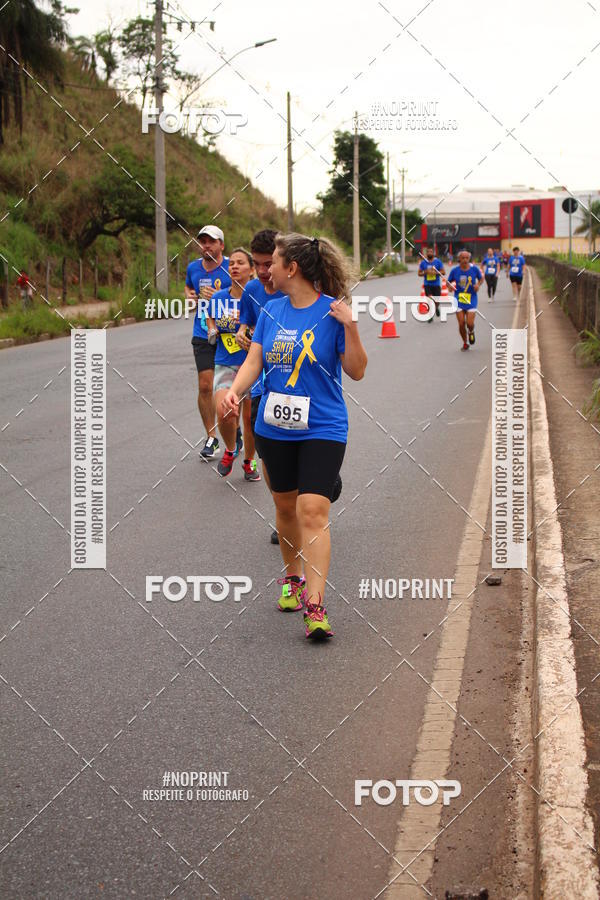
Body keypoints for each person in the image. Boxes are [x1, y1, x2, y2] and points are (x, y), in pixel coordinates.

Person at [222, 234, 367, 639]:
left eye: (274, 263)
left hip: (323, 426)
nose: (265, 270)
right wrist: (235, 391)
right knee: (285, 508)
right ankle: (293, 578)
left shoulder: (332, 313)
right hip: (274, 427)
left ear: (293, 269)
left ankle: (316, 606)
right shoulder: (271, 311)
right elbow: (255, 359)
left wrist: (351, 327)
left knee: (313, 513)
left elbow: (356, 371)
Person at [206, 248, 261, 480]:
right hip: (226, 362)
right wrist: (211, 328)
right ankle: (230, 449)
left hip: (252, 364)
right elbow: (209, 315)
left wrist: (252, 334)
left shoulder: (257, 297)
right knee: (225, 411)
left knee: (249, 420)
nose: (234, 267)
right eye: (232, 264)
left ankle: (249, 462)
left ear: (252, 269)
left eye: (240, 263)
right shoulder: (219, 298)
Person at [185, 225, 235, 460]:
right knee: (205, 386)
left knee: (232, 386)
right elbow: (188, 285)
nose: (206, 245)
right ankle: (212, 437)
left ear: (221, 245)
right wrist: (189, 295)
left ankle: (234, 428)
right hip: (203, 332)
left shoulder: (230, 266)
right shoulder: (193, 268)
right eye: (203, 241)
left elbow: (243, 289)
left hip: (229, 333)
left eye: (211, 241)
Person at [448, 250, 483, 350]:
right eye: (462, 258)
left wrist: (478, 285)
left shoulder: (474, 269)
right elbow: (448, 281)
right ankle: (465, 342)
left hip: (471, 298)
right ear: (459, 259)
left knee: (470, 323)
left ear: (469, 258)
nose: (465, 260)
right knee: (461, 323)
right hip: (458, 299)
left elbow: (481, 279)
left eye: (466, 258)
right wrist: (449, 286)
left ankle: (471, 331)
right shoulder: (455, 270)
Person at [418, 247, 445, 319]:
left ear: (433, 253)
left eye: (431, 252)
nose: (430, 253)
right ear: (426, 254)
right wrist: (425, 272)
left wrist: (435, 272)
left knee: (437, 300)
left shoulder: (438, 262)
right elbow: (419, 273)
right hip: (427, 284)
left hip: (436, 284)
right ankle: (430, 315)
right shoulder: (423, 263)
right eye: (428, 252)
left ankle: (436, 308)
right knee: (429, 299)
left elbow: (443, 272)